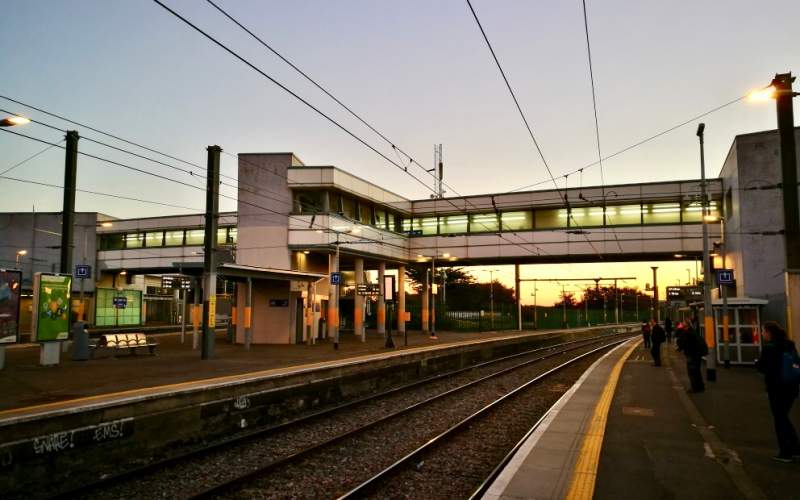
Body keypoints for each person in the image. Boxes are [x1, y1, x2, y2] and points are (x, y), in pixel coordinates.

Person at [755, 321, 800, 462]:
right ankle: (795, 448)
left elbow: (764, 367)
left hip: (777, 387)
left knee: (779, 419)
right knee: (783, 417)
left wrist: (757, 363)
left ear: (769, 333)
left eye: (763, 331)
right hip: (791, 386)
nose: (762, 334)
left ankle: (785, 452)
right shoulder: (789, 344)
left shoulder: (769, 348)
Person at [677, 320, 706, 392]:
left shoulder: (688, 333)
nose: (681, 324)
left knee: (692, 372)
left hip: (692, 355)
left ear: (687, 325)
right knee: (697, 371)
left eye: (683, 323)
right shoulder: (692, 331)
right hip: (697, 354)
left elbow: (684, 342)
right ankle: (700, 387)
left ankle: (695, 388)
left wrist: (681, 348)